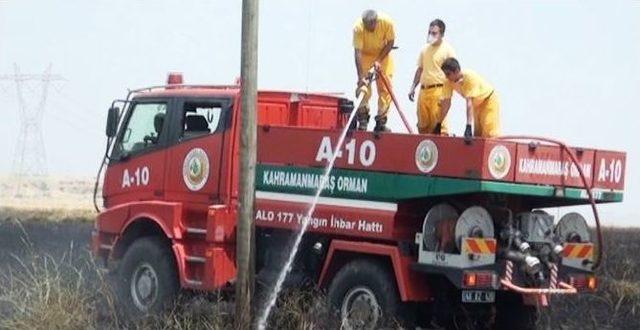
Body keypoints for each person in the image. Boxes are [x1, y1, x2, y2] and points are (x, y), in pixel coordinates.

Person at [408, 19, 456, 135]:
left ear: (442, 34)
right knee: (422, 125)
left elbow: (453, 71)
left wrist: (448, 94)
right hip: (424, 91)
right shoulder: (424, 50)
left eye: (434, 33)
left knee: (438, 127)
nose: (431, 35)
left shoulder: (448, 50)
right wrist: (413, 87)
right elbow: (420, 69)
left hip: (439, 91)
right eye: (429, 32)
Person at [435, 57, 501, 140]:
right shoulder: (448, 82)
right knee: (478, 136)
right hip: (477, 105)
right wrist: (439, 123)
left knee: (490, 135)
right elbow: (446, 104)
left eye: (448, 74)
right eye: (445, 74)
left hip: (488, 100)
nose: (446, 77)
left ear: (456, 71)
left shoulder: (469, 77)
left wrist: (468, 126)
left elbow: (469, 102)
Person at [353, 9, 396, 132]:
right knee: (363, 87)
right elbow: (357, 53)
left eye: (371, 25)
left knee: (385, 87)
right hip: (365, 56)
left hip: (382, 54)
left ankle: (381, 121)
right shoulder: (358, 28)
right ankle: (363, 117)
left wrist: (378, 60)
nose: (369, 29)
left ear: (376, 21)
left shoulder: (387, 22)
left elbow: (391, 42)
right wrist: (361, 76)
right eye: (366, 26)